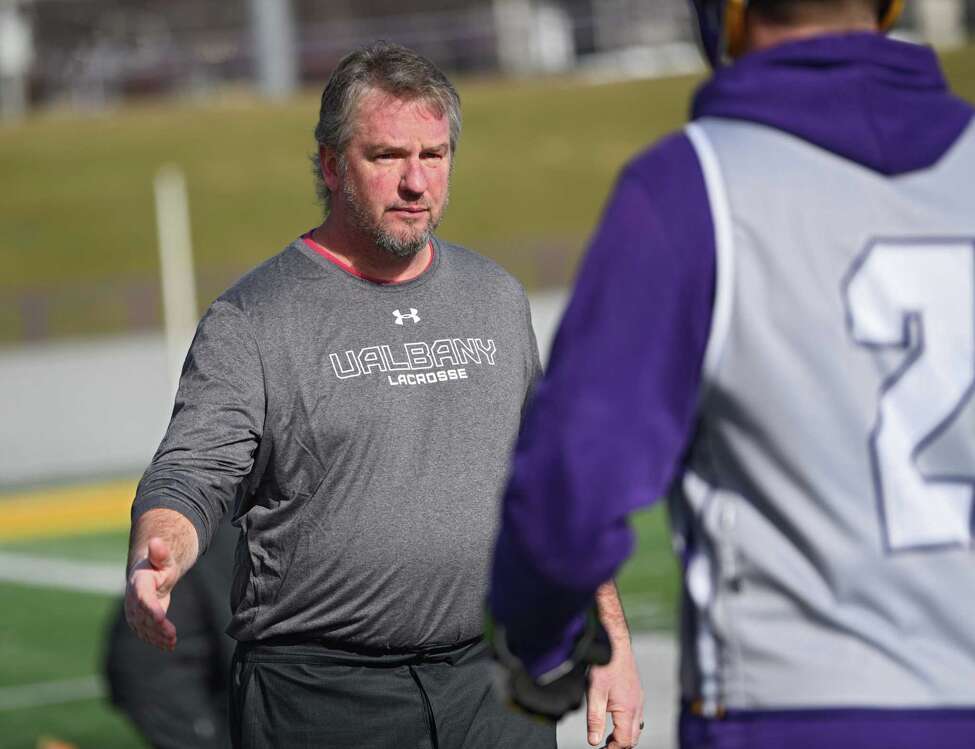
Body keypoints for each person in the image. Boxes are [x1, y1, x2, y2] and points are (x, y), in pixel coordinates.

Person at [123, 41, 641, 748]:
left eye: (433, 155)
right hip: (322, 698)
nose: (415, 182)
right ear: (332, 165)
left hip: (492, 690)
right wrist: (162, 542)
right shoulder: (253, 319)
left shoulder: (494, 298)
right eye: (387, 156)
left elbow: (553, 485)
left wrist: (606, 639)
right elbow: (194, 470)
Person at [487, 1, 975, 748]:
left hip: (788, 707)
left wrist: (536, 638)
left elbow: (573, 489)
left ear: (725, 15)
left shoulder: (694, 184)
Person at [105, 515, 236, 749]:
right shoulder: (229, 536)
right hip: (160, 678)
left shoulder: (215, 524)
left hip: (168, 667)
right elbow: (231, 630)